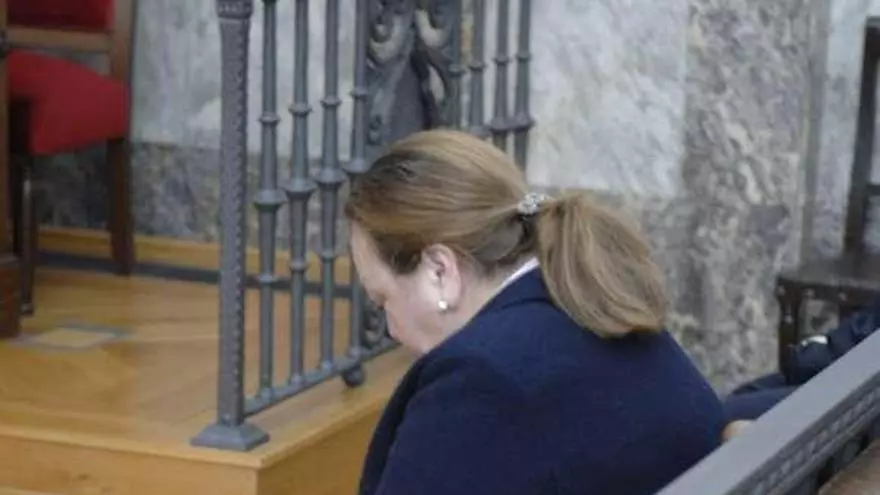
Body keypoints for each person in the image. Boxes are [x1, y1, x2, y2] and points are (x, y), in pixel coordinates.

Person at [346, 129, 725, 495]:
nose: (391, 330)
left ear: (439, 272)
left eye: (382, 300)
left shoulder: (481, 378)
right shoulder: (589, 299)